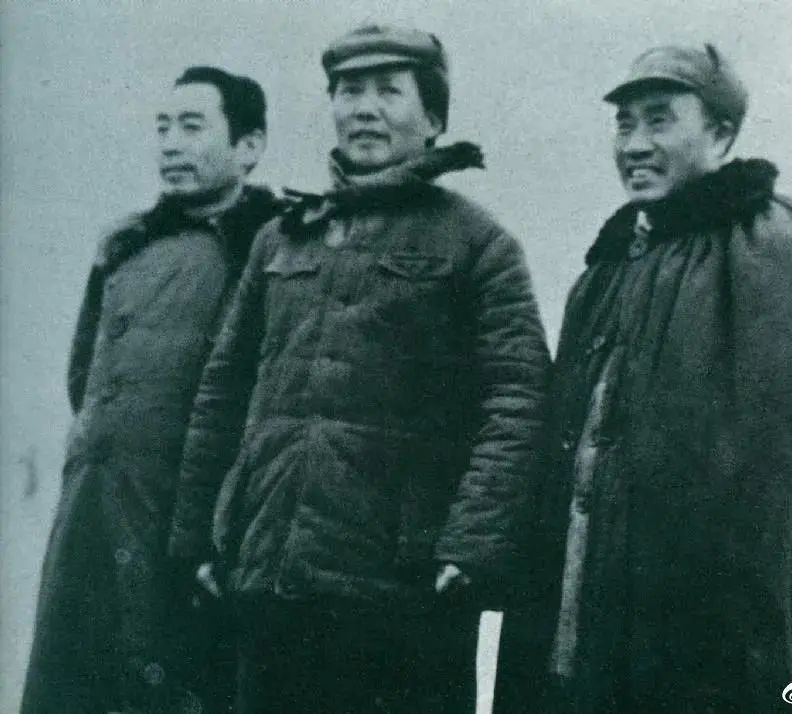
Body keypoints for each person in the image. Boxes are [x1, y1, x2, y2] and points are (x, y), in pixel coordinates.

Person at [495, 44, 792, 713]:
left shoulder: (773, 245)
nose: (635, 144)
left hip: (715, 613)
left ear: (721, 134)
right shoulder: (607, 269)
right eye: (624, 124)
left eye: (659, 120)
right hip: (594, 599)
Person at [167, 24, 550, 714]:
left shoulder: (478, 243)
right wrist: (197, 533)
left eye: (388, 91)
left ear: (433, 118)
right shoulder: (281, 239)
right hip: (270, 570)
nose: (365, 108)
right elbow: (221, 391)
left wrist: (471, 544)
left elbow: (516, 400)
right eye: (349, 91)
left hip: (403, 588)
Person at [22, 66, 283, 714]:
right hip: (96, 508)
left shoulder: (270, 247)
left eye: (192, 127)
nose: (170, 144)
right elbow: (84, 376)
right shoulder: (125, 247)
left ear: (249, 146)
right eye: (162, 128)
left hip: (193, 524)